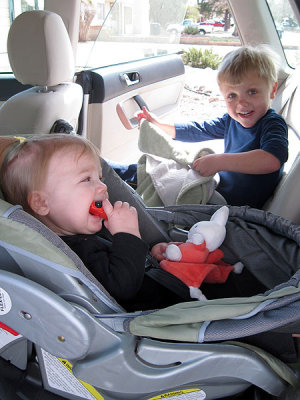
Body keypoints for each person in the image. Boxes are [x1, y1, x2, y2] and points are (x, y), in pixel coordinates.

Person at [0, 134, 190, 311]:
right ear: (42, 203)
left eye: (100, 177)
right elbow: (122, 287)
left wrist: (149, 256)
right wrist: (129, 236)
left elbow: (121, 261)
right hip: (159, 319)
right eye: (86, 179)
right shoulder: (73, 254)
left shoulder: (83, 229)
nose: (103, 186)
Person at [116, 45, 289, 209]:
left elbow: (271, 160)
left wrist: (219, 161)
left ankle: (112, 174)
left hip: (231, 204)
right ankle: (112, 171)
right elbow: (198, 130)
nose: (241, 103)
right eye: (232, 96)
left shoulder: (272, 123)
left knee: (159, 177)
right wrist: (158, 125)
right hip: (217, 189)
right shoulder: (231, 120)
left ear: (272, 90)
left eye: (252, 92)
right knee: (157, 169)